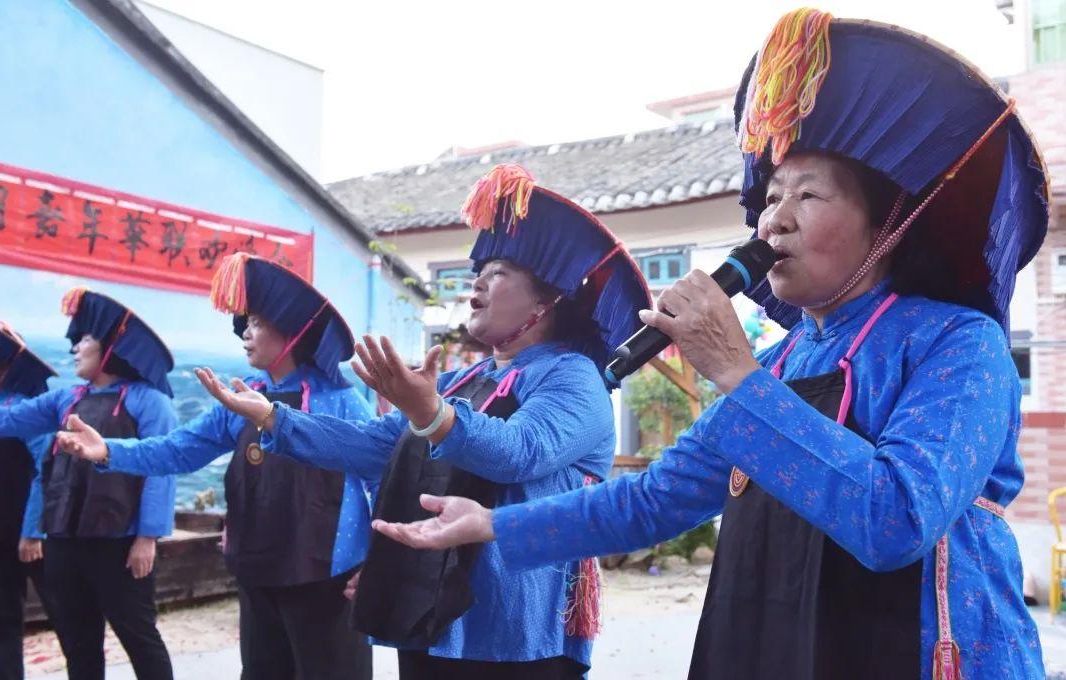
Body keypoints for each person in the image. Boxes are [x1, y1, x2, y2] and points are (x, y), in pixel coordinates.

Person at [370, 10, 1050, 680]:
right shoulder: (785, 362)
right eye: (771, 195)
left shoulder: (960, 344)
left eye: (807, 195)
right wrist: (493, 525)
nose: (774, 217)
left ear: (887, 223)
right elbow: (652, 500)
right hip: (776, 648)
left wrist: (733, 368)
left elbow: (896, 520)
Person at [173, 165, 651, 679]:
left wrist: (431, 412)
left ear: (548, 297)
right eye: (479, 272)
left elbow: (520, 451)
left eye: (497, 273)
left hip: (516, 628)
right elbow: (374, 445)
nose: (477, 284)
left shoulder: (574, 377)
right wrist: (273, 416)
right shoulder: (466, 377)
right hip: (433, 608)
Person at [58, 254, 373, 680]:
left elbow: (381, 476)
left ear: (293, 332)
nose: (245, 332)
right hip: (258, 568)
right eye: (246, 323)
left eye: (257, 323)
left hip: (327, 574)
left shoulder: (341, 401)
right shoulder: (242, 397)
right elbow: (180, 449)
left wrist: (378, 561)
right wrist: (110, 451)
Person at [0, 289, 176, 680]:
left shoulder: (149, 401)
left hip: (119, 542)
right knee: (79, 643)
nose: (74, 348)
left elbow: (162, 469)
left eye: (84, 339)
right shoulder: (66, 399)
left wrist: (148, 537)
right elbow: (4, 420)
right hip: (65, 539)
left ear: (110, 347)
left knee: (139, 637)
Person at [0, 316, 60, 680]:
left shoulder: (26, 408)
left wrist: (33, 531)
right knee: (0, 620)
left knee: (65, 618)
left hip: (33, 538)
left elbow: (44, 470)